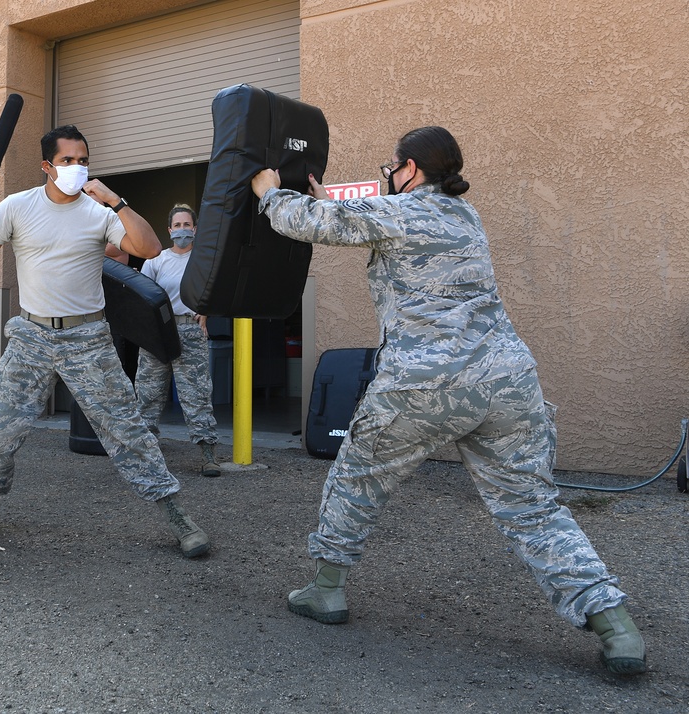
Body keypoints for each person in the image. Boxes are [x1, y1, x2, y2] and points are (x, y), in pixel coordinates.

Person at [250, 126, 646, 675]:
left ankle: (326, 591)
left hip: (423, 383)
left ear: (411, 168)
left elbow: (313, 224)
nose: (388, 172)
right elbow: (368, 219)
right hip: (506, 382)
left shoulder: (399, 213)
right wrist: (335, 201)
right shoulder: (467, 216)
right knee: (533, 510)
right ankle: (617, 628)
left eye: (393, 164)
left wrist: (270, 192)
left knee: (357, 480)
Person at [0, 124, 210, 558]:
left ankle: (176, 514)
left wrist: (117, 201)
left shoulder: (99, 214)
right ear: (46, 166)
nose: (76, 167)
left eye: (83, 159)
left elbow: (148, 248)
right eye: (67, 160)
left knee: (128, 430)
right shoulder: (18, 207)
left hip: (88, 336)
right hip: (31, 335)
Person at [135, 203, 221, 477]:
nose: (182, 230)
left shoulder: (204, 261)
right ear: (169, 230)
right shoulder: (155, 261)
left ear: (194, 229)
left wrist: (207, 310)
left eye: (187, 226)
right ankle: (144, 455)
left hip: (190, 331)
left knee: (197, 396)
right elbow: (142, 298)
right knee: (147, 396)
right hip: (158, 334)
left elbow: (217, 292)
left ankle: (208, 456)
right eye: (177, 226)